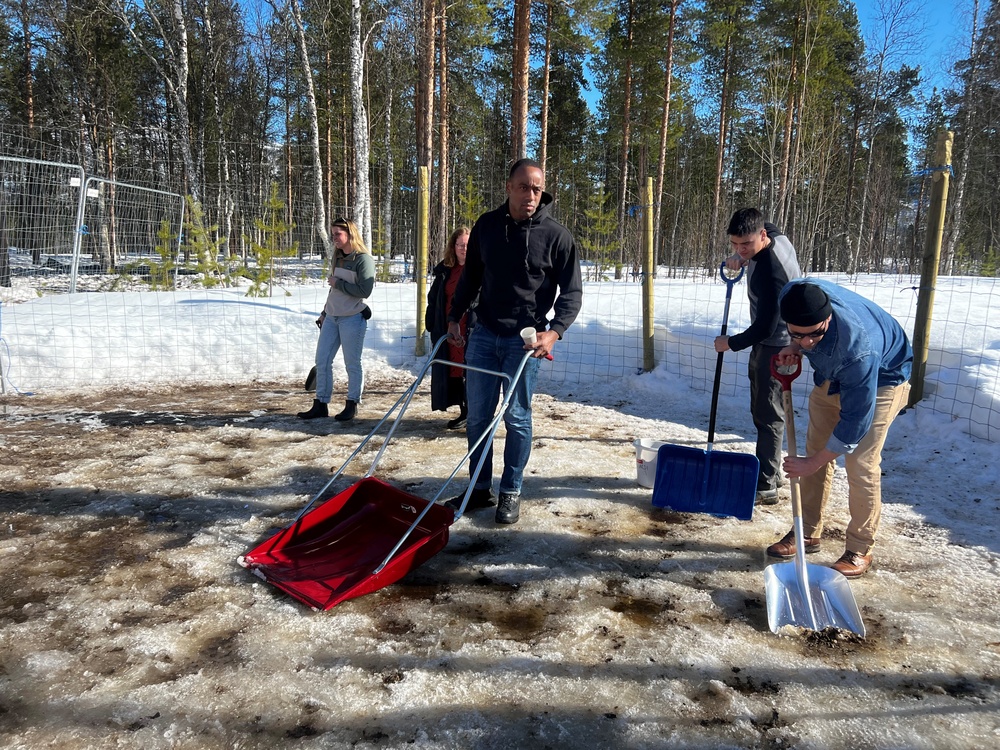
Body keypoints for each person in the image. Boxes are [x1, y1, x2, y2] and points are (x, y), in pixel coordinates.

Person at [445, 158, 582, 525]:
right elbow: (471, 276)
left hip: (526, 342)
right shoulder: (487, 227)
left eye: (537, 188)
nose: (531, 195)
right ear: (508, 187)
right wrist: (454, 316)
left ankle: (511, 490)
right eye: (524, 187)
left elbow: (571, 295)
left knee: (517, 418)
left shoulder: (557, 237)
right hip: (485, 334)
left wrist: (553, 333)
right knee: (478, 417)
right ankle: (478, 487)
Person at [767, 279, 912, 578]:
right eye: (797, 333)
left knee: (860, 462)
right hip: (833, 371)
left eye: (814, 334)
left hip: (883, 378)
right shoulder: (793, 294)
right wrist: (793, 345)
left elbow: (855, 420)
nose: (806, 343)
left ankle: (860, 548)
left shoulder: (859, 350)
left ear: (828, 316)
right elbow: (805, 335)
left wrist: (815, 463)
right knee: (815, 450)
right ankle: (806, 531)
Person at [714, 208, 801, 505]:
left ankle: (765, 485)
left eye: (746, 245)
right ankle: (773, 472)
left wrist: (731, 343)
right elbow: (769, 226)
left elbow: (764, 328)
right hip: (781, 338)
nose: (740, 250)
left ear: (762, 236)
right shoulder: (775, 236)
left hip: (776, 345)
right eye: (735, 244)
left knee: (766, 413)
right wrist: (742, 257)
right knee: (769, 411)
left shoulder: (770, 272)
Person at [297, 217, 376, 422]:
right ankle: (321, 403)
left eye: (338, 234)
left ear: (350, 234)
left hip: (352, 318)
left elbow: (364, 290)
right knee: (322, 361)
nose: (334, 238)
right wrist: (324, 312)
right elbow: (334, 291)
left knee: (352, 363)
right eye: (333, 234)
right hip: (332, 317)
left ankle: (352, 403)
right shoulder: (338, 257)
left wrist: (338, 282)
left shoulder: (362, 259)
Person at [425, 226, 474, 430]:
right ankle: (465, 410)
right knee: (454, 371)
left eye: (468, 245)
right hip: (448, 327)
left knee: (471, 370)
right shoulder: (445, 270)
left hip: (470, 327)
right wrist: (432, 323)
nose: (464, 248)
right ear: (453, 247)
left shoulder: (478, 269)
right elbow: (434, 298)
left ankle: (475, 413)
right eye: (460, 244)